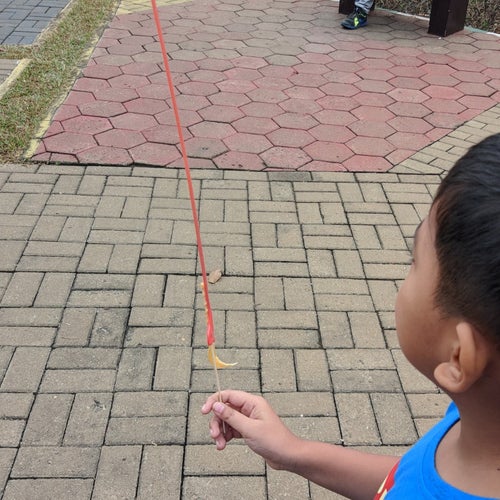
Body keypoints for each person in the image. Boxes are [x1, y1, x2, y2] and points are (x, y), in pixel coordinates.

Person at [202, 133, 500, 499]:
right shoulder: (482, 418)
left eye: (415, 261)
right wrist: (292, 452)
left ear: (458, 357)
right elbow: (409, 477)